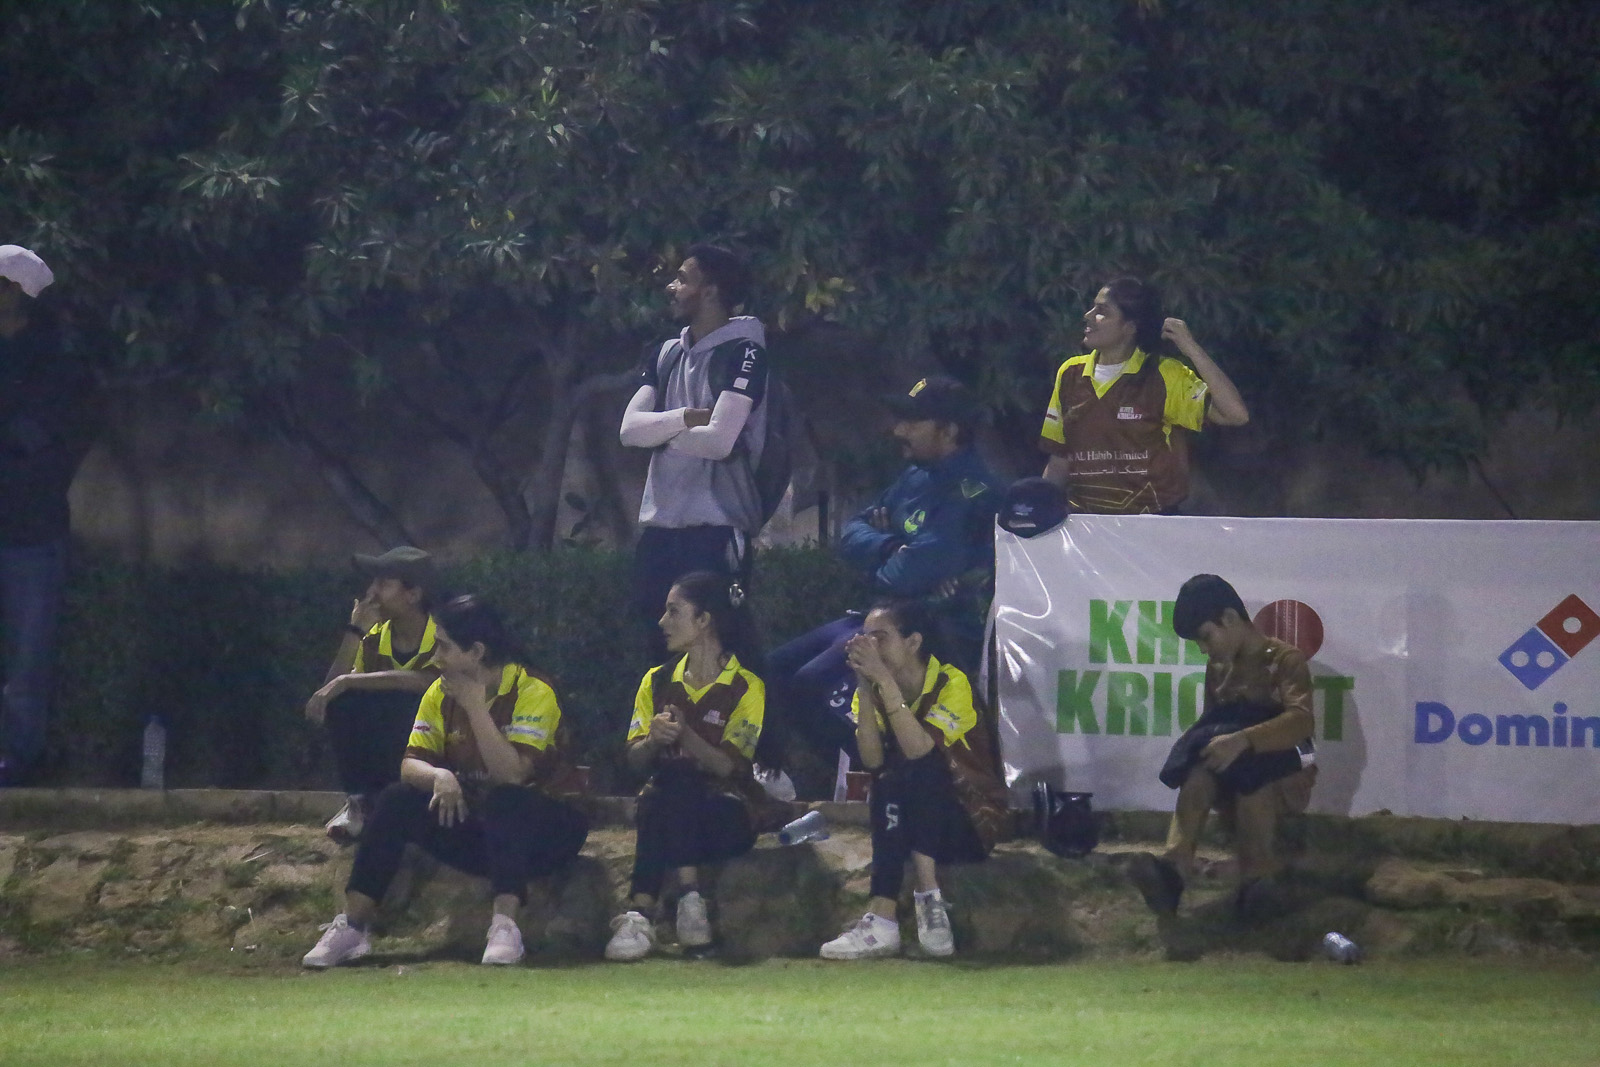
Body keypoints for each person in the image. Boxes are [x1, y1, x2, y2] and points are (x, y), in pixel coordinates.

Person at [302, 594, 589, 968]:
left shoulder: (533, 690)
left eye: (443, 647)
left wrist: (476, 707)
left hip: (546, 834)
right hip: (486, 832)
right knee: (396, 800)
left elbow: (511, 774)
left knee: (506, 799)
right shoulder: (440, 691)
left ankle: (505, 926)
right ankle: (352, 927)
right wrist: (440, 775)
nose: (435, 658)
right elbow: (410, 765)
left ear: (477, 652)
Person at [763, 377, 1000, 770]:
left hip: (935, 627)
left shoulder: (972, 490)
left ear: (949, 431)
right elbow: (850, 533)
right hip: (881, 615)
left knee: (810, 684)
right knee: (773, 669)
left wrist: (881, 561)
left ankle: (884, 773)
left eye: (913, 421)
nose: (898, 430)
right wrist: (890, 546)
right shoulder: (914, 476)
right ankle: (843, 774)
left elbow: (912, 573)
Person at [819, 599, 1007, 960]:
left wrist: (883, 681)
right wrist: (865, 686)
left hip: (967, 820)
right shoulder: (874, 689)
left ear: (913, 642)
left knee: (923, 766)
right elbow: (871, 760)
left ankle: (927, 894)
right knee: (888, 779)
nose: (870, 647)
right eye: (865, 639)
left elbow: (920, 750)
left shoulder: (951, 683)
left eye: (880, 638)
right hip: (910, 821)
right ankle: (883, 920)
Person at [1128, 574, 1318, 919]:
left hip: (1283, 771)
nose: (1204, 649)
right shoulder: (1217, 668)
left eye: (1206, 637)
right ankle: (1173, 870)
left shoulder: (1285, 659)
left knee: (1253, 781)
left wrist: (1245, 740)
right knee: (1198, 775)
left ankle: (1258, 881)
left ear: (1230, 618)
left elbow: (1301, 722)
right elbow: (1212, 721)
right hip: (1235, 769)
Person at [604, 571, 767, 961]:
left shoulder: (747, 685)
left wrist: (685, 736)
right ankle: (688, 904)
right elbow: (634, 759)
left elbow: (729, 768)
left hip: (725, 815)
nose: (662, 622)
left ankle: (641, 913)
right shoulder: (656, 680)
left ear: (704, 620)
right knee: (669, 786)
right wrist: (652, 741)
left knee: (670, 788)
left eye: (673, 611)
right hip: (670, 808)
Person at [618, 243, 770, 658]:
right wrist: (686, 417)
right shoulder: (666, 353)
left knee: (719, 650)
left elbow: (720, 442)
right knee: (657, 650)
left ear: (711, 291)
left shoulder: (745, 352)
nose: (672, 287)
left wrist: (659, 432)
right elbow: (629, 431)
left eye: (683, 279)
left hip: (716, 529)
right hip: (661, 529)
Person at [0, 246, 98, 785]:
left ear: (16, 293)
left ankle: (16, 763)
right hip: (27, 524)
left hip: (31, 530)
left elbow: (51, 437)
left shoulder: (55, 362)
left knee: (26, 658)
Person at [1039, 277, 1249, 514]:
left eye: (1102, 312)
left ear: (1130, 327)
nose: (1088, 316)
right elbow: (1059, 458)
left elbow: (1235, 415)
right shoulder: (1070, 372)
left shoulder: (1163, 374)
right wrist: (1042, 509)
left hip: (1150, 524)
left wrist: (1191, 348)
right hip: (1088, 524)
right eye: (1092, 308)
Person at [304, 546, 440, 842]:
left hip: (440, 750)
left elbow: (431, 681)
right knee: (344, 702)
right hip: (392, 750)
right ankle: (360, 803)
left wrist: (348, 682)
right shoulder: (375, 637)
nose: (371, 592)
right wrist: (355, 631)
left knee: (405, 702)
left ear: (413, 594)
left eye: (383, 583)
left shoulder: (444, 633)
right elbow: (327, 695)